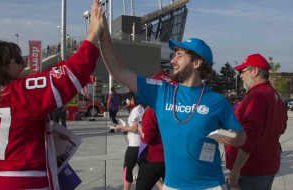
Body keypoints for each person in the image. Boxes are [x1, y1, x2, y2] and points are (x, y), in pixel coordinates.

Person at [0, 1, 104, 189]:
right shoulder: (20, 92)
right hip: (22, 181)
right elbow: (73, 72)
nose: (23, 65)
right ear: (4, 65)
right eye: (19, 60)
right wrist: (94, 32)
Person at [99, 13, 246, 189]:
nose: (173, 60)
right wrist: (103, 33)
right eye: (174, 55)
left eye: (179, 55)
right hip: (173, 185)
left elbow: (241, 137)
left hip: (210, 185)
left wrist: (233, 138)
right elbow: (119, 71)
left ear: (197, 63)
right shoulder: (161, 91)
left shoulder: (217, 101)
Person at [224, 53, 287, 190]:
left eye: (242, 71)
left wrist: (236, 169)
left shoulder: (257, 96)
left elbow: (251, 136)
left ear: (255, 71)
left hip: (251, 170)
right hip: (266, 167)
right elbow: (281, 128)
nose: (240, 75)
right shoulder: (274, 94)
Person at [114, 93, 145, 190]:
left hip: (134, 145)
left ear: (132, 99)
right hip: (142, 144)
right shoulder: (142, 108)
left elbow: (134, 128)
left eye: (128, 99)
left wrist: (121, 127)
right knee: (145, 170)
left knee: (127, 168)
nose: (128, 102)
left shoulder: (136, 110)